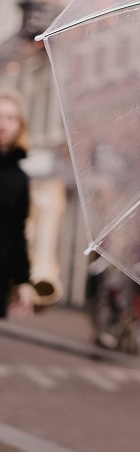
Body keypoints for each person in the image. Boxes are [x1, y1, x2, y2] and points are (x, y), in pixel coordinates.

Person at [0, 89, 35, 319]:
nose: (3, 124)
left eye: (10, 118)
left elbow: (16, 232)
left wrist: (23, 280)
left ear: (19, 125)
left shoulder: (19, 179)